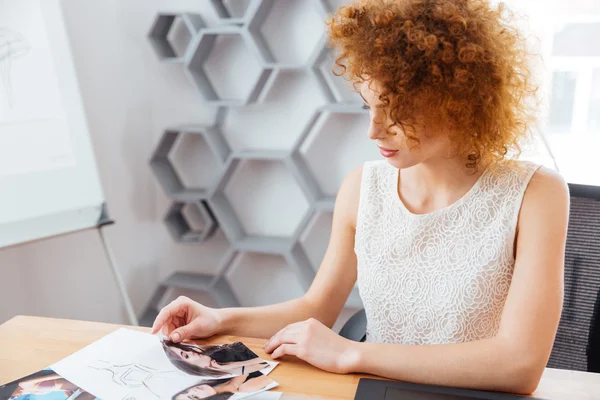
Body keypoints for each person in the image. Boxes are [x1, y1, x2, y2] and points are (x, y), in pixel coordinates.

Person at [152, 0, 569, 395]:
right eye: (368, 105)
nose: (374, 131)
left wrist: (352, 352)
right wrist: (221, 319)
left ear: (458, 100)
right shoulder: (362, 187)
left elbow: (520, 364)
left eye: (396, 110)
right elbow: (316, 308)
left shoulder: (536, 195)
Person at [161, 340, 269, 377]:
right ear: (188, 366)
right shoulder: (220, 372)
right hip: (268, 350)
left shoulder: (207, 351)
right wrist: (233, 365)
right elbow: (267, 363)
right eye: (186, 356)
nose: (190, 352)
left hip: (258, 341)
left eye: (185, 350)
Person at [171, 372, 274, 400]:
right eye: (195, 397)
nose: (193, 391)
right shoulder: (244, 390)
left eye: (186, 392)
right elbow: (276, 374)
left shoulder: (209, 377)